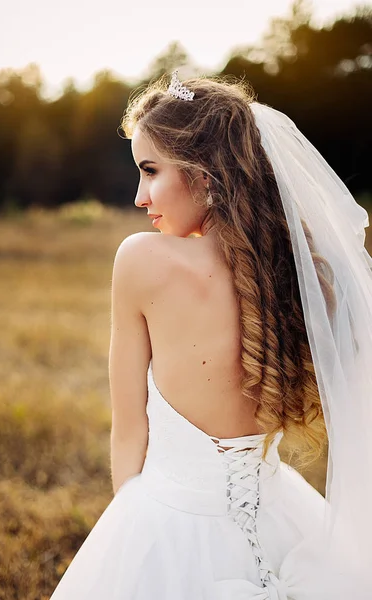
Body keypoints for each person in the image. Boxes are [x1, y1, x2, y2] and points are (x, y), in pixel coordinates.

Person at [49, 71, 372, 599]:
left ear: (205, 175)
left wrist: (129, 545)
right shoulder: (293, 271)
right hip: (284, 519)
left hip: (170, 518)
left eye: (150, 171)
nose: (139, 196)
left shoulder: (141, 260)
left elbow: (129, 432)